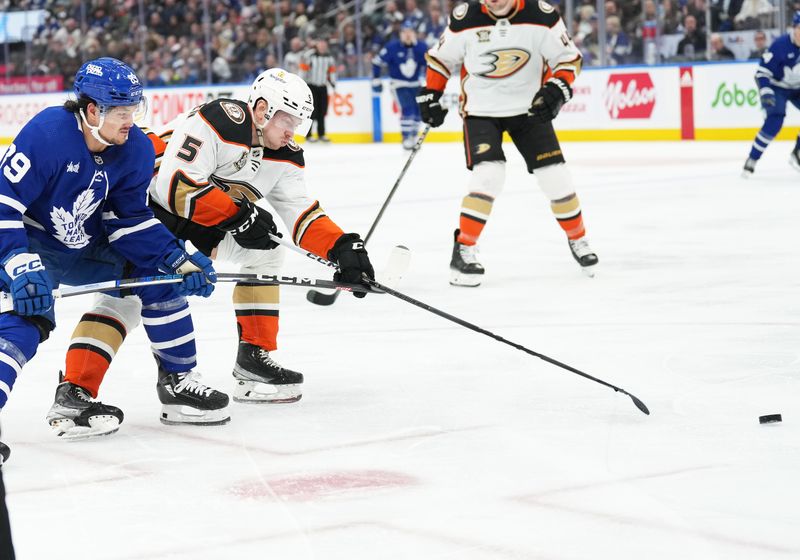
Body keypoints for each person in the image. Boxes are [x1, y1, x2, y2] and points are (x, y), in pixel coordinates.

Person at [53, 68, 374, 435]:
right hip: (137, 212)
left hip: (190, 223)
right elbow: (175, 187)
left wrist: (342, 248)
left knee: (266, 252)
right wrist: (238, 217)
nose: (292, 131)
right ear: (263, 108)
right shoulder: (222, 120)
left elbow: (301, 214)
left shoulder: (285, 154)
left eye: (298, 123)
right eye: (287, 119)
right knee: (124, 300)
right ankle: (75, 388)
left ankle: (254, 359)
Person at [0, 57, 223, 449]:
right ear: (91, 110)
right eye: (120, 112)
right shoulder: (48, 132)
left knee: (159, 275)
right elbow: (3, 203)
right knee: (27, 315)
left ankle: (178, 381)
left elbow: (129, 219)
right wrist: (18, 263)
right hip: (33, 244)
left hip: (87, 248)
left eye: (133, 110)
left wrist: (176, 258)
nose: (129, 120)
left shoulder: (134, 147)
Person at [416, 0, 599, 287]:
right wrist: (430, 93)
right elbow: (441, 59)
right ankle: (464, 248)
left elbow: (569, 59)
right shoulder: (465, 17)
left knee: (556, 178)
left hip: (529, 110)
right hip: (481, 111)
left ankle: (578, 239)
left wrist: (558, 87)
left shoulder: (541, 15)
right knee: (488, 175)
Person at [742, 12, 800, 177]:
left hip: (798, 88)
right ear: (794, 29)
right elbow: (761, 73)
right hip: (777, 87)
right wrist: (766, 91)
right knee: (775, 120)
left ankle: (798, 153)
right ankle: (752, 159)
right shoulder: (780, 46)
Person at [372, 21, 428, 149]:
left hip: (415, 84)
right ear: (400, 34)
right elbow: (376, 62)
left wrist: (429, 80)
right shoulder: (392, 47)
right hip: (398, 84)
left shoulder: (421, 47)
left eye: (410, 32)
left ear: (414, 33)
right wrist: (376, 79)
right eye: (405, 32)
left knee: (418, 111)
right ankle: (406, 137)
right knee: (407, 108)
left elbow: (430, 65)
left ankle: (413, 136)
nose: (407, 35)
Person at [300, 39, 337, 142]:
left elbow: (332, 71)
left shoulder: (329, 58)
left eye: (324, 45)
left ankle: (321, 133)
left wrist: (333, 83)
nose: (322, 47)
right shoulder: (310, 56)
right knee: (312, 111)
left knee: (322, 111)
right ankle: (309, 135)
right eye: (320, 44)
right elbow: (303, 69)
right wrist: (302, 84)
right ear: (316, 45)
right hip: (311, 86)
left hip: (323, 86)